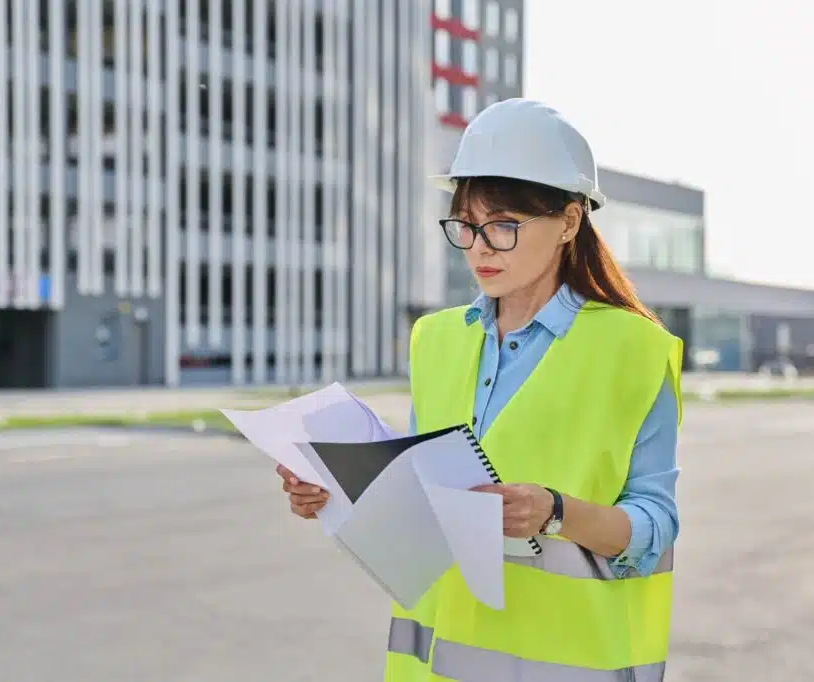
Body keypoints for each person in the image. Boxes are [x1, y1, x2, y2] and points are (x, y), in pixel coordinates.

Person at [278, 98, 683, 682]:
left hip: (565, 665)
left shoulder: (635, 351)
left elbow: (654, 523)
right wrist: (335, 486)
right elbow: (420, 484)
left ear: (569, 222)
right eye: (466, 226)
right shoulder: (435, 339)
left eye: (503, 226)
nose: (479, 247)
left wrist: (555, 512)